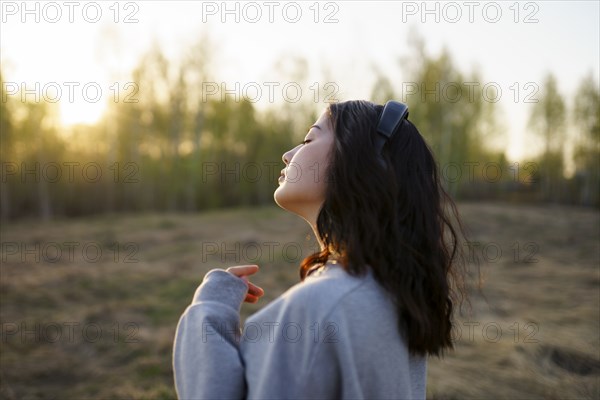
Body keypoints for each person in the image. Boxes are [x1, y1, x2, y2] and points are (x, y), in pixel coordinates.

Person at [173, 100, 468, 399]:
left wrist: (210, 308)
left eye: (309, 139)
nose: (287, 155)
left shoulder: (319, 308)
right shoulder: (396, 295)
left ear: (358, 163)